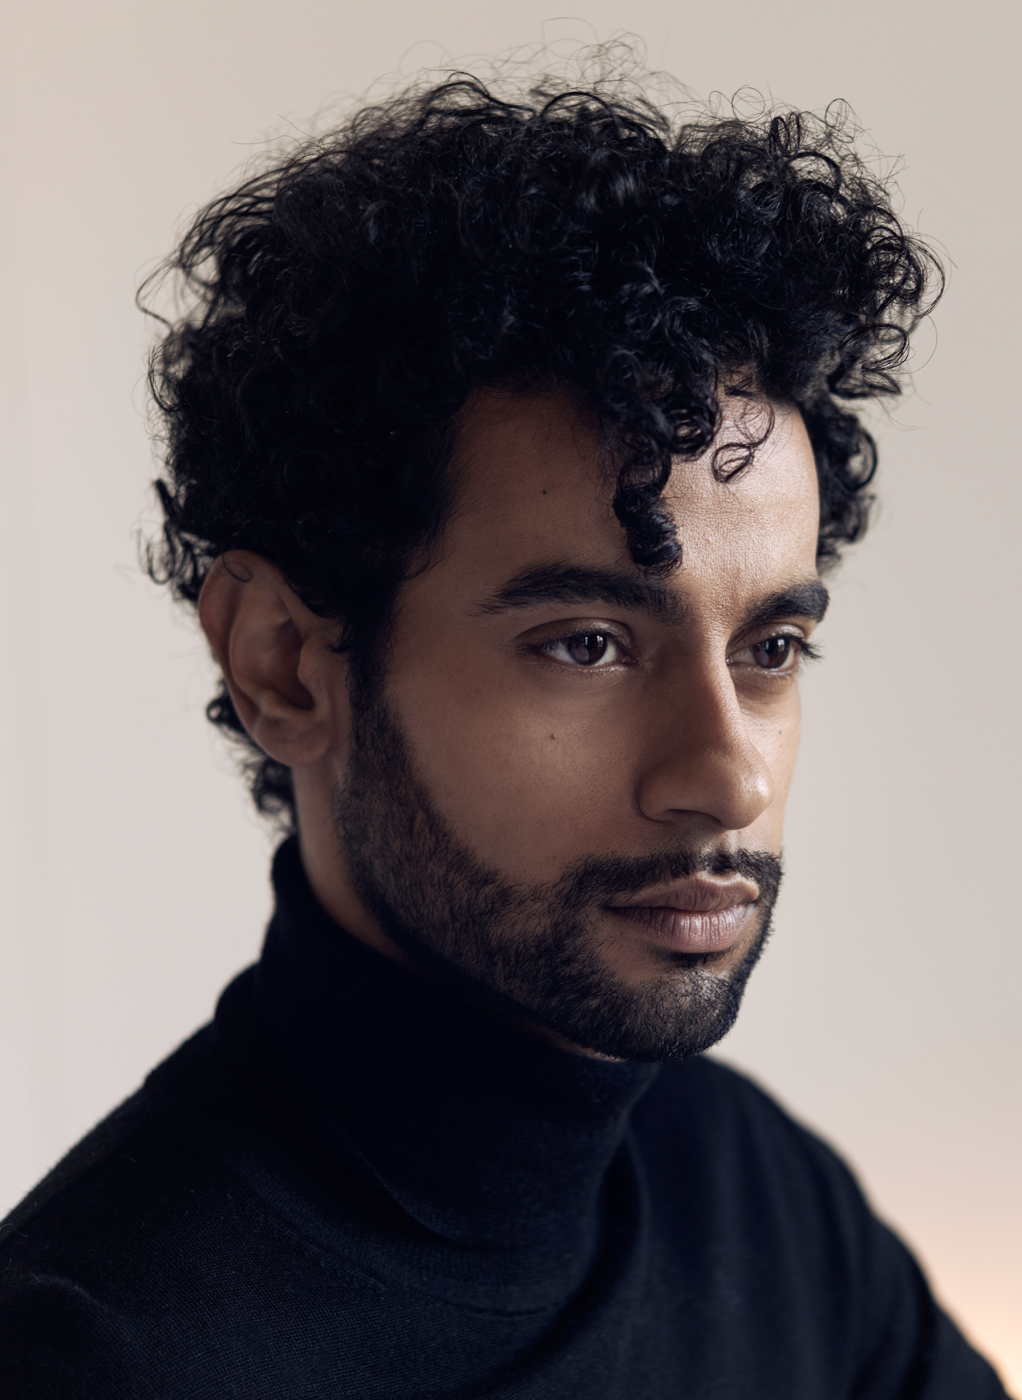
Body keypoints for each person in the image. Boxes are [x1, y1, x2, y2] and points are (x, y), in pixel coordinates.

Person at [0, 59, 1008, 1398]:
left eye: (768, 650)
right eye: (586, 644)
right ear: (283, 666)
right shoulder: (91, 1356)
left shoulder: (764, 1205)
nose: (727, 778)